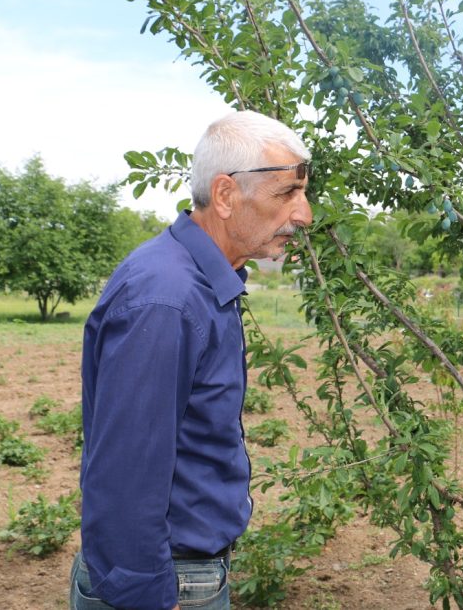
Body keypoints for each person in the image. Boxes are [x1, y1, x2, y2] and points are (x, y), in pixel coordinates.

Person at [71, 111, 313, 610]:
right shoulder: (168, 299)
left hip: (185, 571)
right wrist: (146, 595)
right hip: (166, 582)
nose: (304, 214)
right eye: (286, 194)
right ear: (225, 195)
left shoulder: (199, 284)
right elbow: (126, 472)